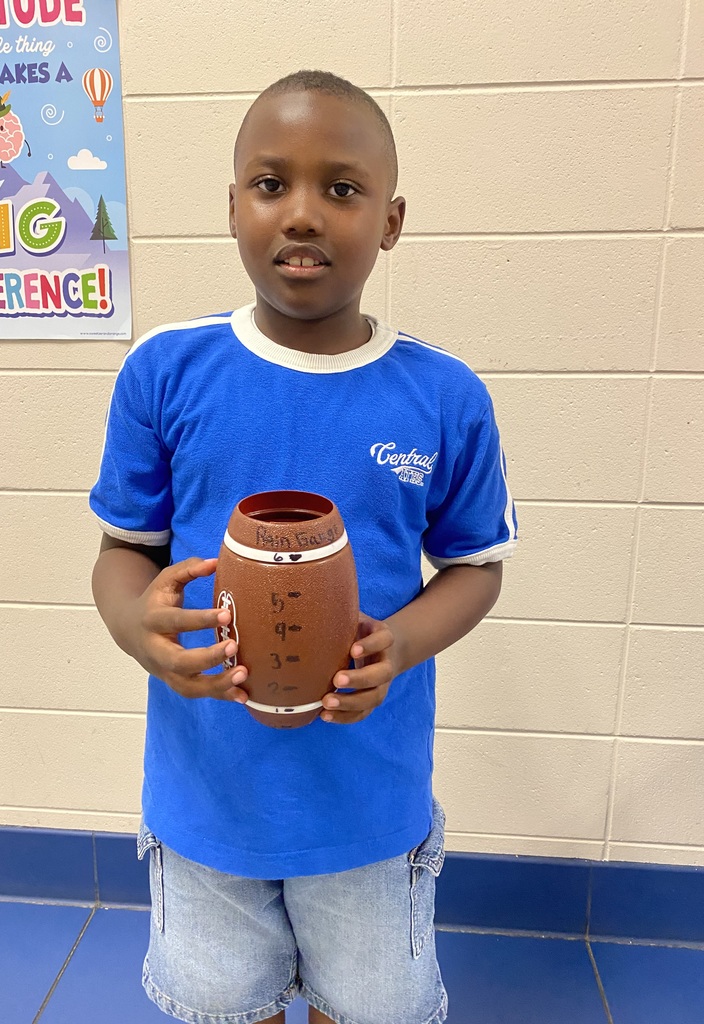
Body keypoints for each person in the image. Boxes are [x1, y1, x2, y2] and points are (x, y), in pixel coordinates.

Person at [90, 69, 517, 1024]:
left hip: (367, 802)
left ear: (392, 220)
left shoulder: (443, 396)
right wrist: (134, 619)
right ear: (232, 205)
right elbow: (122, 551)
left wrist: (400, 643)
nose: (304, 215)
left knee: (363, 1008)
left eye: (343, 189)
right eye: (272, 184)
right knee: (221, 1006)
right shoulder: (166, 369)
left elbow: (476, 567)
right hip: (207, 801)